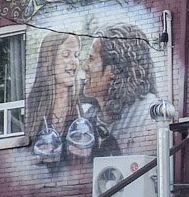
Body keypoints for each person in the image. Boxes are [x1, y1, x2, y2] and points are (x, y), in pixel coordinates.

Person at [81, 23, 158, 156]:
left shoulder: (149, 114)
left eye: (91, 59)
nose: (84, 66)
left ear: (115, 69)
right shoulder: (89, 117)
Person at [26, 33, 91, 163]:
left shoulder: (86, 103)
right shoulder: (32, 103)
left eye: (76, 55)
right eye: (66, 55)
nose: (74, 62)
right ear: (49, 61)